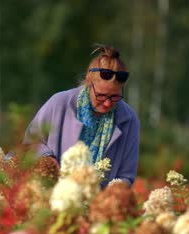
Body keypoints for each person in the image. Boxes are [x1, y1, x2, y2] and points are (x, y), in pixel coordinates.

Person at [24, 45, 140, 188]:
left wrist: (113, 193)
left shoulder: (129, 120)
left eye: (115, 96)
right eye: (101, 95)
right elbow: (31, 142)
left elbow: (126, 175)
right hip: (50, 193)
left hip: (98, 204)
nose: (108, 103)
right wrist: (47, 160)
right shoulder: (60, 104)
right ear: (88, 81)